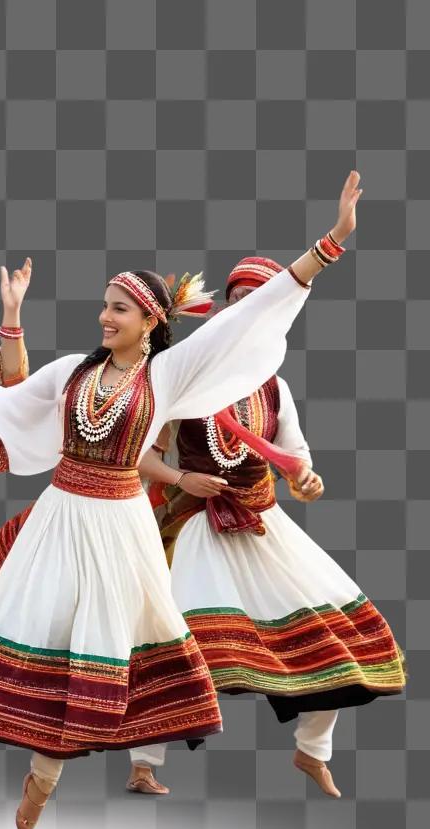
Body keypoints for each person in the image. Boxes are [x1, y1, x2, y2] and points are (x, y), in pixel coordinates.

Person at [0, 172, 364, 829]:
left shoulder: (166, 378)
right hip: (61, 515)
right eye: (104, 305)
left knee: (104, 649)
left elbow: (254, 314)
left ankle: (56, 774)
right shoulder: (75, 372)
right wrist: (12, 316)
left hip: (121, 524)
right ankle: (44, 773)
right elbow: (15, 390)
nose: (104, 316)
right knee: (46, 636)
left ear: (151, 323)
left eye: (119, 308)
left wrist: (332, 241)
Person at [133, 253, 405, 797]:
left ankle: (313, 750)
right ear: (227, 312)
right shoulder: (185, 377)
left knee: (336, 632)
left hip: (262, 522)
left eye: (261, 304)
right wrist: (184, 478)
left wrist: (307, 481)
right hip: (195, 524)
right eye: (239, 303)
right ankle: (143, 762)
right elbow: (141, 459)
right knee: (172, 638)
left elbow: (297, 460)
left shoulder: (275, 389)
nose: (248, 314)